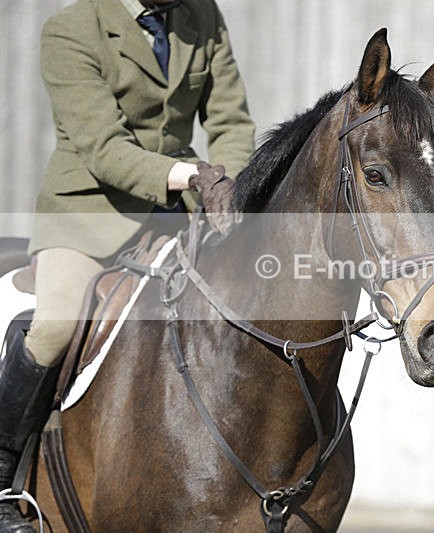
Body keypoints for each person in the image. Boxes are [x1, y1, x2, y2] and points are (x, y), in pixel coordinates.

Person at [0, 0, 255, 529]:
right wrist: (192, 176)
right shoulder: (70, 29)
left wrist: (230, 185)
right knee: (53, 328)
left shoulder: (200, 14)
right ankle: (3, 479)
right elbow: (103, 147)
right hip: (88, 212)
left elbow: (229, 118)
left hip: (180, 212)